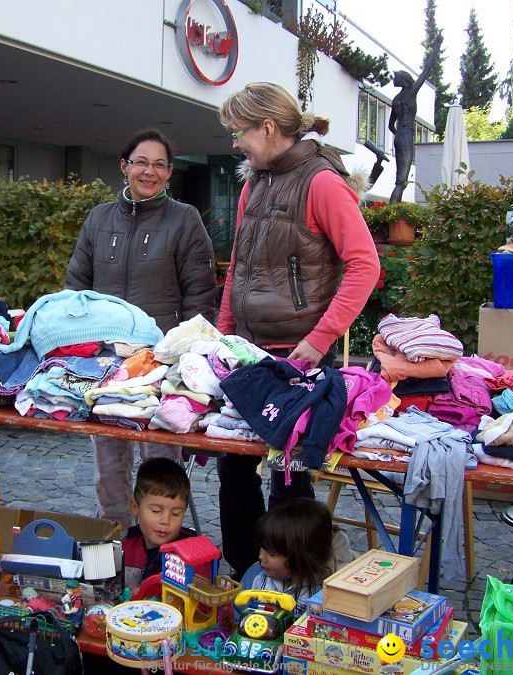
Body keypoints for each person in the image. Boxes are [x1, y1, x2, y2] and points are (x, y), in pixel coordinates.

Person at [215, 82, 379, 579]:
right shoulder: (253, 184)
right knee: (234, 470)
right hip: (246, 350)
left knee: (288, 481)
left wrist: (318, 340)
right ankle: (246, 574)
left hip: (296, 357)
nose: (235, 143)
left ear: (267, 128)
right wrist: (220, 336)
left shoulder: (322, 183)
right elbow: (239, 268)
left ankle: (302, 580)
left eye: (238, 132)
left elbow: (364, 265)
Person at [65, 129, 217, 530]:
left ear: (169, 173)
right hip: (106, 366)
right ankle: (112, 546)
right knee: (109, 468)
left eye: (159, 164)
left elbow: (200, 297)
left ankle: (160, 552)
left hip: (161, 365)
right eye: (141, 162)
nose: (149, 171)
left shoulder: (185, 220)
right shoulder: (99, 218)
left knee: (162, 464)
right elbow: (75, 289)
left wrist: (188, 359)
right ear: (124, 166)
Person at [247, 498, 354, 615]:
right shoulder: (256, 574)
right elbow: (239, 614)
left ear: (303, 558)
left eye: (271, 553)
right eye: (262, 547)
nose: (261, 556)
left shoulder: (329, 593)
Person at [121, 458, 212, 594]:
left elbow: (201, 603)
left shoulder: (194, 558)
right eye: (156, 511)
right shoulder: (126, 545)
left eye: (175, 513)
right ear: (135, 507)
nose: (165, 520)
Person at [389, 34, 443, 203]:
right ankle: (391, 212)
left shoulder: (396, 100)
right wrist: (437, 45)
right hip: (406, 134)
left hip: (399, 136)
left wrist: (399, 133)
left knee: (400, 176)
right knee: (402, 180)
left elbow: (391, 125)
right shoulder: (411, 92)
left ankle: (392, 211)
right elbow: (427, 69)